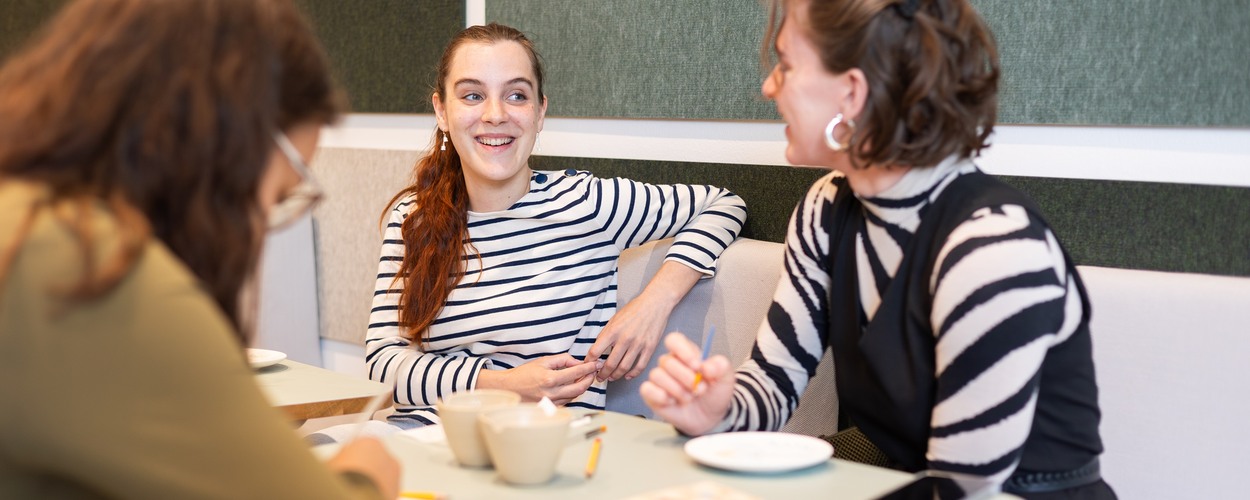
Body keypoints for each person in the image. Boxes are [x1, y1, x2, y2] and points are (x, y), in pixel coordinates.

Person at [640, 0, 1115, 498]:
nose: (769, 86)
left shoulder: (992, 247)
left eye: (786, 64)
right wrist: (719, 411)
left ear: (851, 92)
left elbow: (963, 486)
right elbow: (771, 386)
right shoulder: (827, 209)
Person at [0, 0, 399, 498]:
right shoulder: (103, 275)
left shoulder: (28, 219)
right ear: (231, 142)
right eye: (276, 197)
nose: (260, 232)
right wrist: (364, 475)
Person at [363, 23, 746, 430]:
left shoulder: (585, 203)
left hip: (541, 448)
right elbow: (383, 364)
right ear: (442, 111)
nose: (495, 115)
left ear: (540, 111)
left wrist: (653, 305)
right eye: (473, 95)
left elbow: (723, 204)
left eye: (516, 95)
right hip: (417, 434)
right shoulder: (414, 218)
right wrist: (501, 384)